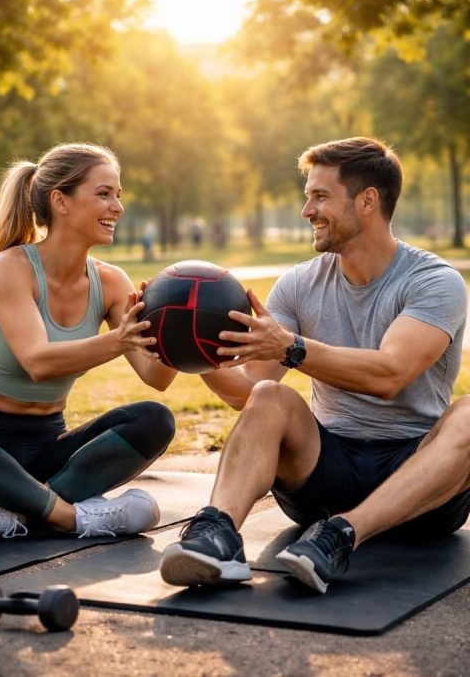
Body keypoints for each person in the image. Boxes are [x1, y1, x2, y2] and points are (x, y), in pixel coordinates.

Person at [160, 137, 470, 594]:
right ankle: (216, 533)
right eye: (308, 196)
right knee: (270, 397)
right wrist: (184, 350)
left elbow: (389, 375)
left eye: (320, 196)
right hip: (324, 472)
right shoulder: (299, 284)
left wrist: (292, 348)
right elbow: (249, 390)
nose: (307, 210)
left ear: (368, 201)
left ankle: (344, 534)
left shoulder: (434, 282)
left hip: (419, 486)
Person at [0, 143, 177, 542]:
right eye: (104, 194)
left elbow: (156, 376)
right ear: (60, 201)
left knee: (155, 419)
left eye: (118, 195)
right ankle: (72, 518)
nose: (118, 207)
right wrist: (118, 340)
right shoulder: (12, 267)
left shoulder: (111, 282)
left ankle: (5, 515)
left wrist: (179, 335)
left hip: (49, 450)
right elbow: (38, 362)